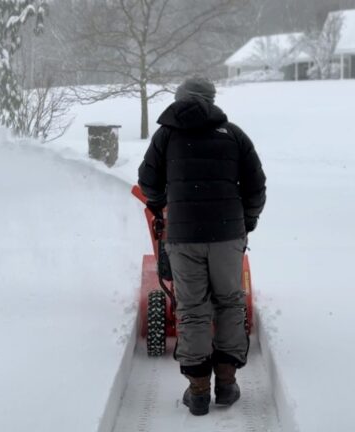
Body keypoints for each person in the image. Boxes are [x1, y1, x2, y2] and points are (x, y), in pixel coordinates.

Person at [138, 76, 266, 416]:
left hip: (183, 238)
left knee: (192, 308)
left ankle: (197, 392)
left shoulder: (166, 135)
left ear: (180, 99)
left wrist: (161, 203)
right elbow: (256, 186)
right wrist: (248, 220)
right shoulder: (234, 135)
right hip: (227, 236)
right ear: (212, 99)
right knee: (229, 303)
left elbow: (148, 181)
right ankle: (226, 385)